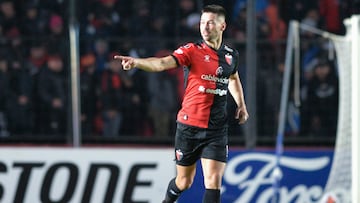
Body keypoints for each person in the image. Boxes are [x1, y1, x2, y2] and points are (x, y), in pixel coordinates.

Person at [114, 4, 249, 203]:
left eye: (210, 23)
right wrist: (137, 62)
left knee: (213, 180)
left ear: (222, 26)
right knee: (184, 181)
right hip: (189, 127)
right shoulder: (191, 51)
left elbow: (233, 78)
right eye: (203, 23)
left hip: (216, 128)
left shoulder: (231, 55)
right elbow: (161, 63)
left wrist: (241, 105)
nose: (205, 27)